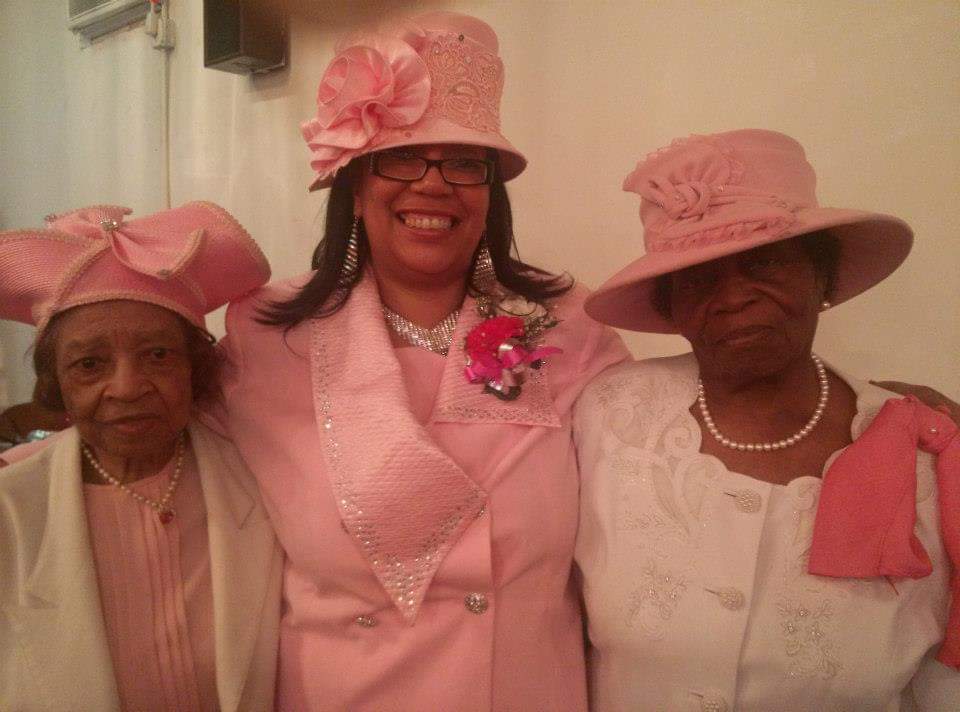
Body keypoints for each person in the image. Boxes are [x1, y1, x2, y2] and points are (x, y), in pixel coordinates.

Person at [209, 11, 628, 711]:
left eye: (465, 162)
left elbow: (652, 478)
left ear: (491, 190)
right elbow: (177, 476)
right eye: (402, 157)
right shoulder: (266, 339)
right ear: (355, 181)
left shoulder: (572, 328)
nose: (434, 185)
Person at [574, 129, 960, 711]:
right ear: (670, 304)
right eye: (699, 278)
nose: (733, 297)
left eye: (765, 264)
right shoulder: (606, 418)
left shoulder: (926, 452)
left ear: (821, 279)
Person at [0, 203, 283, 711]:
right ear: (57, 385)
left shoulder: (261, 476)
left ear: (194, 370)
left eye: (158, 355)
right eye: (90, 364)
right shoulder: (11, 506)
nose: (127, 388)